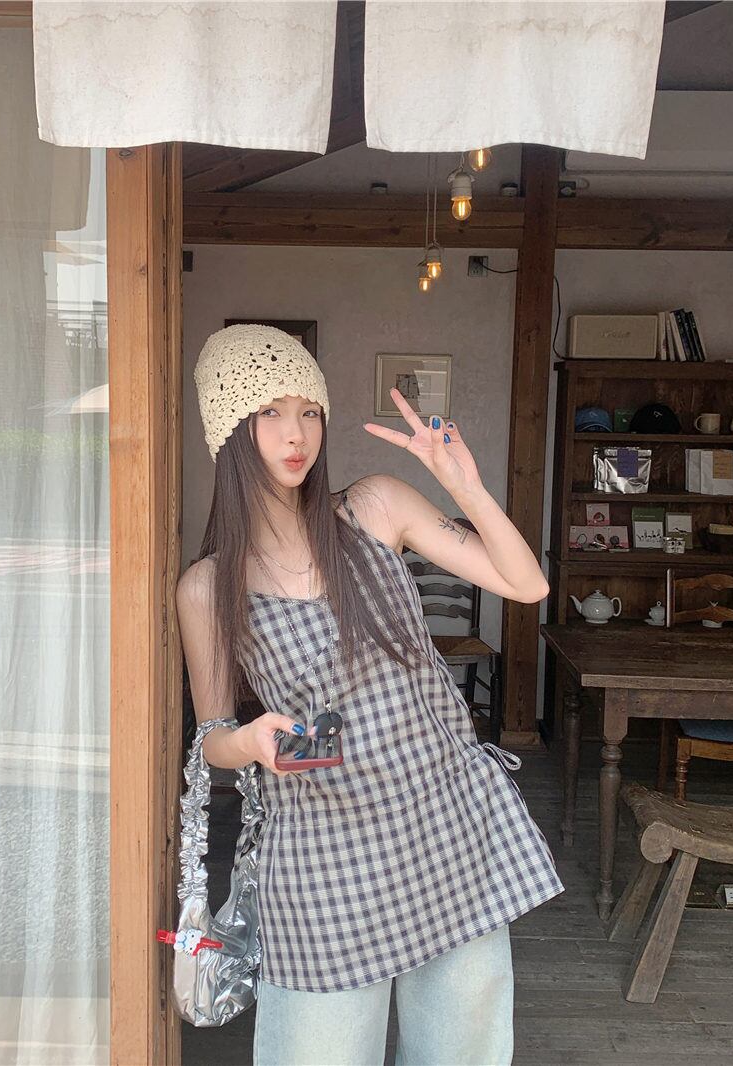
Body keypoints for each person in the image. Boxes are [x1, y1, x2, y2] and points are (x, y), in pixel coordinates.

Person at [177, 324, 564, 1066]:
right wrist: (252, 742)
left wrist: (463, 485)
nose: (295, 434)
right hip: (323, 859)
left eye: (309, 411)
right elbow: (213, 737)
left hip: (444, 829)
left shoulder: (375, 507)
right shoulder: (208, 585)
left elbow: (527, 584)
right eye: (269, 413)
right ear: (228, 430)